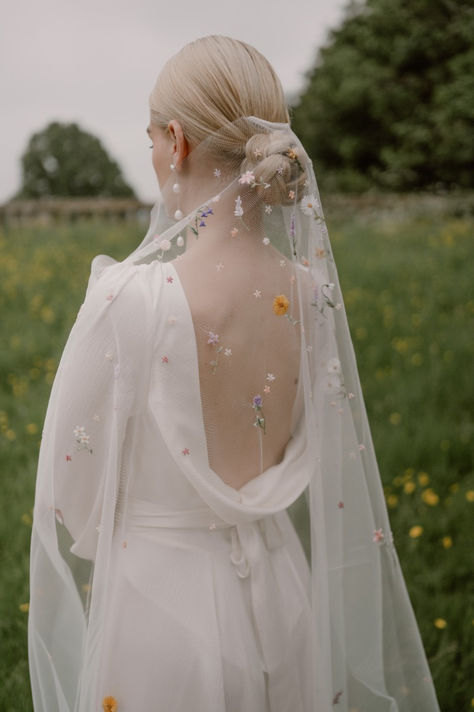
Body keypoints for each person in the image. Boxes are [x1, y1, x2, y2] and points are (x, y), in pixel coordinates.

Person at [28, 35, 440, 711]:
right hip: (282, 598)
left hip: (161, 610)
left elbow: (68, 498)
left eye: (152, 136)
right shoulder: (310, 296)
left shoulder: (129, 300)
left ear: (177, 142)